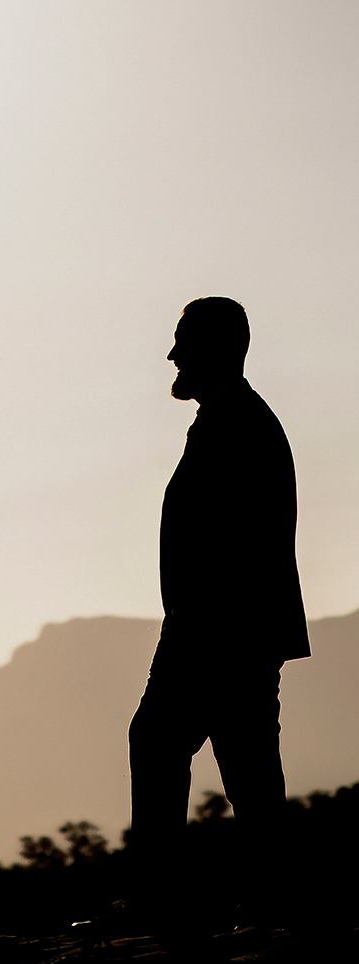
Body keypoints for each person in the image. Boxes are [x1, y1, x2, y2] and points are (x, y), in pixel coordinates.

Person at [128, 297, 309, 927]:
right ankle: (269, 896)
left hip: (216, 629)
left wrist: (196, 622)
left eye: (183, 341)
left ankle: (163, 901)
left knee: (160, 745)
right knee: (249, 766)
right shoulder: (235, 420)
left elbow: (234, 541)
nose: (173, 354)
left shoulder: (238, 424)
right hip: (232, 628)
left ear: (218, 348)